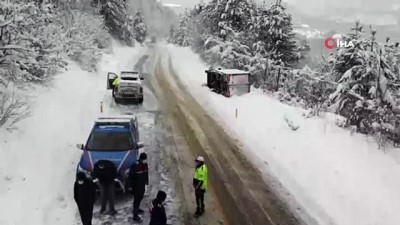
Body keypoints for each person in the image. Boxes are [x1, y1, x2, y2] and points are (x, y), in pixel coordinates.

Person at [129, 152, 149, 222]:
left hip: (142, 185)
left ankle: (137, 209)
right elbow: (131, 177)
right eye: (145, 159)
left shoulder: (145, 164)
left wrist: (147, 181)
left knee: (140, 197)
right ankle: (135, 215)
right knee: (137, 199)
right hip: (136, 186)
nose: (145, 160)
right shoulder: (135, 166)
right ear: (141, 159)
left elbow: (146, 173)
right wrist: (130, 186)